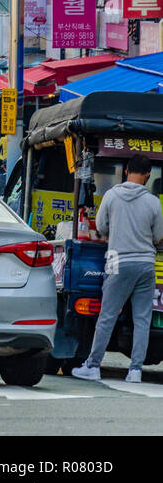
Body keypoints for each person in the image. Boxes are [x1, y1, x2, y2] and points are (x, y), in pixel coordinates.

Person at [72, 154, 163, 384]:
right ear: (147, 175)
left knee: (107, 315)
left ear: (126, 171)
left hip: (117, 259)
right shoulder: (153, 202)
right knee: (142, 319)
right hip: (145, 263)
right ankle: (135, 371)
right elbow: (158, 236)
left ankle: (93, 366)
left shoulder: (112, 196)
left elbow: (101, 226)